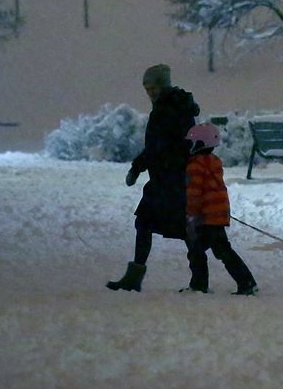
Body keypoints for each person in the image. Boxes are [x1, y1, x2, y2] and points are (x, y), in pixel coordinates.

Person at [106, 64, 199, 292]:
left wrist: (138, 167)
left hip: (172, 180)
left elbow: (163, 147)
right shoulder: (169, 107)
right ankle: (136, 277)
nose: (150, 92)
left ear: (163, 85)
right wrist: (139, 167)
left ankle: (199, 279)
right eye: (147, 88)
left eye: (153, 87)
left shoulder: (170, 110)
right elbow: (156, 147)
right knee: (149, 223)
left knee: (181, 228)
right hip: (164, 179)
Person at [180, 122, 258, 295]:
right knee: (211, 250)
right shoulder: (214, 162)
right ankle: (246, 282)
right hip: (218, 214)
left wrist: (190, 214)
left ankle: (202, 285)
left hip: (205, 218)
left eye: (191, 143)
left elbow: (194, 192)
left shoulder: (195, 165)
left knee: (202, 249)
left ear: (199, 144)